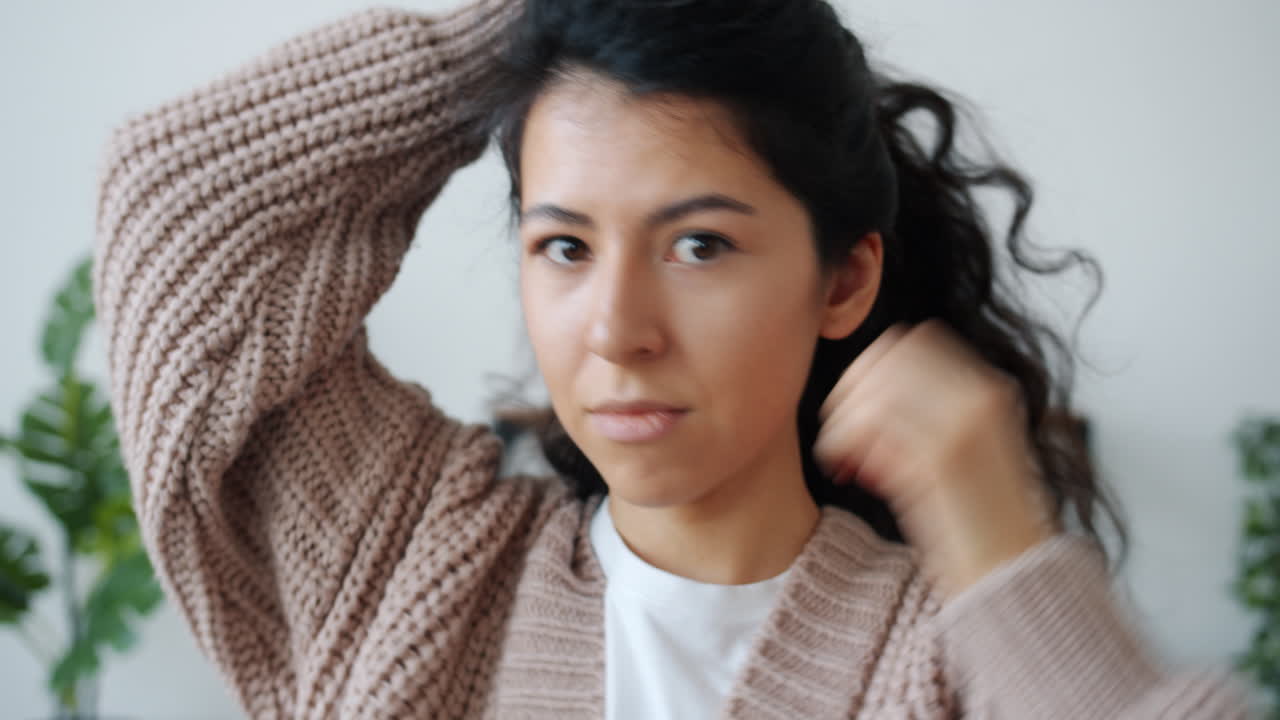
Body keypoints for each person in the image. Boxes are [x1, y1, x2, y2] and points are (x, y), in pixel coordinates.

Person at [90, 0, 1253, 717]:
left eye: (698, 244)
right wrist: (533, 25)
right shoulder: (401, 564)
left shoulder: (949, 666)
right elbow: (176, 206)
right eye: (563, 246)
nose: (615, 328)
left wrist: (1003, 556)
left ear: (841, 280)